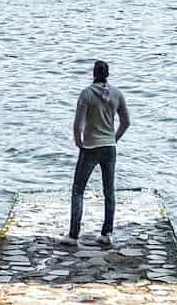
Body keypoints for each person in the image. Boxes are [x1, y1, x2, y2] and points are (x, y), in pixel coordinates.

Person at [63, 59, 130, 247]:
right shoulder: (117, 94)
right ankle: (106, 233)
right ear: (108, 74)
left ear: (94, 73)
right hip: (110, 147)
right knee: (109, 191)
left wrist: (79, 143)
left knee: (78, 190)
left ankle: (73, 235)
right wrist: (114, 139)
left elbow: (78, 125)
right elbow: (126, 122)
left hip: (90, 147)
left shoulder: (86, 94)